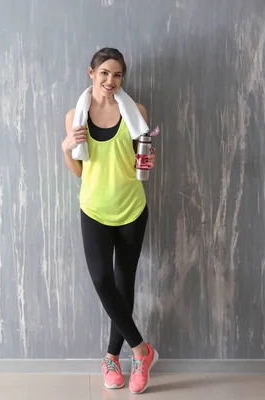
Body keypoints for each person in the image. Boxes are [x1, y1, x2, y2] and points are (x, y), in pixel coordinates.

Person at [61, 47, 158, 394]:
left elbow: (139, 165)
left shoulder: (137, 113)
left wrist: (148, 158)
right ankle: (142, 352)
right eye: (104, 73)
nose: (110, 81)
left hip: (131, 207)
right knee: (103, 280)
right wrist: (65, 146)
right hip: (94, 209)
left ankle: (112, 358)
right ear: (91, 74)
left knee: (122, 283)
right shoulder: (77, 116)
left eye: (117, 75)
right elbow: (78, 171)